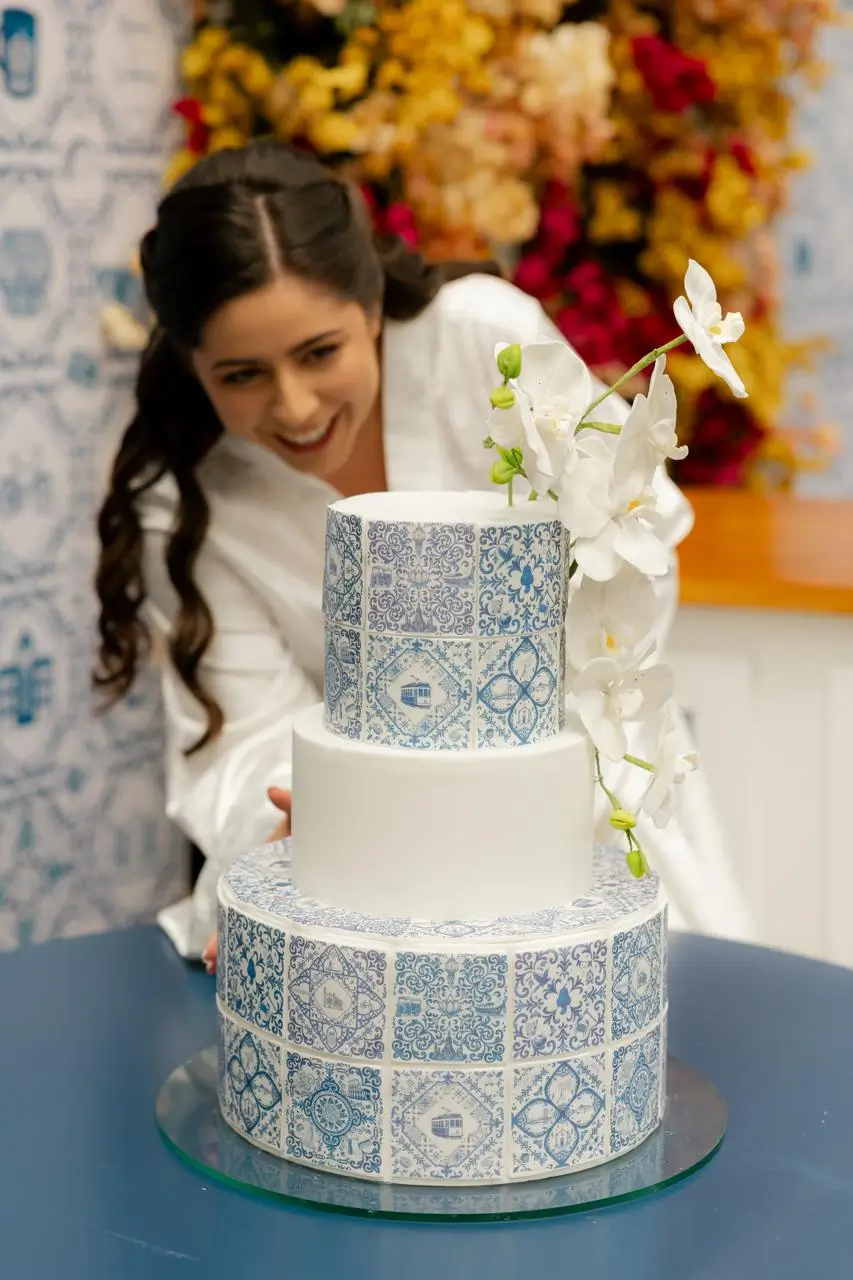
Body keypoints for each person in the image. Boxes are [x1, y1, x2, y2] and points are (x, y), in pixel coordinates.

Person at [94, 139, 755, 967]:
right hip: (359, 860)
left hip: (578, 806)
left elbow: (632, 543)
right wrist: (304, 832)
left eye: (319, 353)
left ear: (370, 307)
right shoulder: (189, 504)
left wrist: (508, 768)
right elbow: (244, 743)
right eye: (241, 375)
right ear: (193, 366)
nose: (294, 406)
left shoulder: (484, 342)